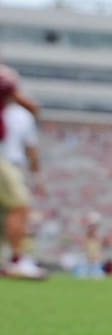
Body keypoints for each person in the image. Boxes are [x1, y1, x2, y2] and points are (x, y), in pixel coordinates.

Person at [0, 100, 47, 279]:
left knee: (6, 215)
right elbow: (31, 149)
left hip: (10, 165)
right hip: (8, 165)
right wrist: (37, 176)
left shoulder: (19, 114)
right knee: (19, 208)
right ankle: (16, 260)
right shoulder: (21, 114)